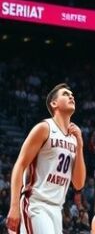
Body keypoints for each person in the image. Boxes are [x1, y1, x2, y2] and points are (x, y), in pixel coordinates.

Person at [7, 83, 86, 234]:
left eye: (72, 94)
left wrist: (80, 146)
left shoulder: (74, 138)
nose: (71, 96)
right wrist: (14, 206)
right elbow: (19, 165)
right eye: (65, 94)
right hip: (36, 204)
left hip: (57, 209)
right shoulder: (44, 128)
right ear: (53, 103)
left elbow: (78, 184)